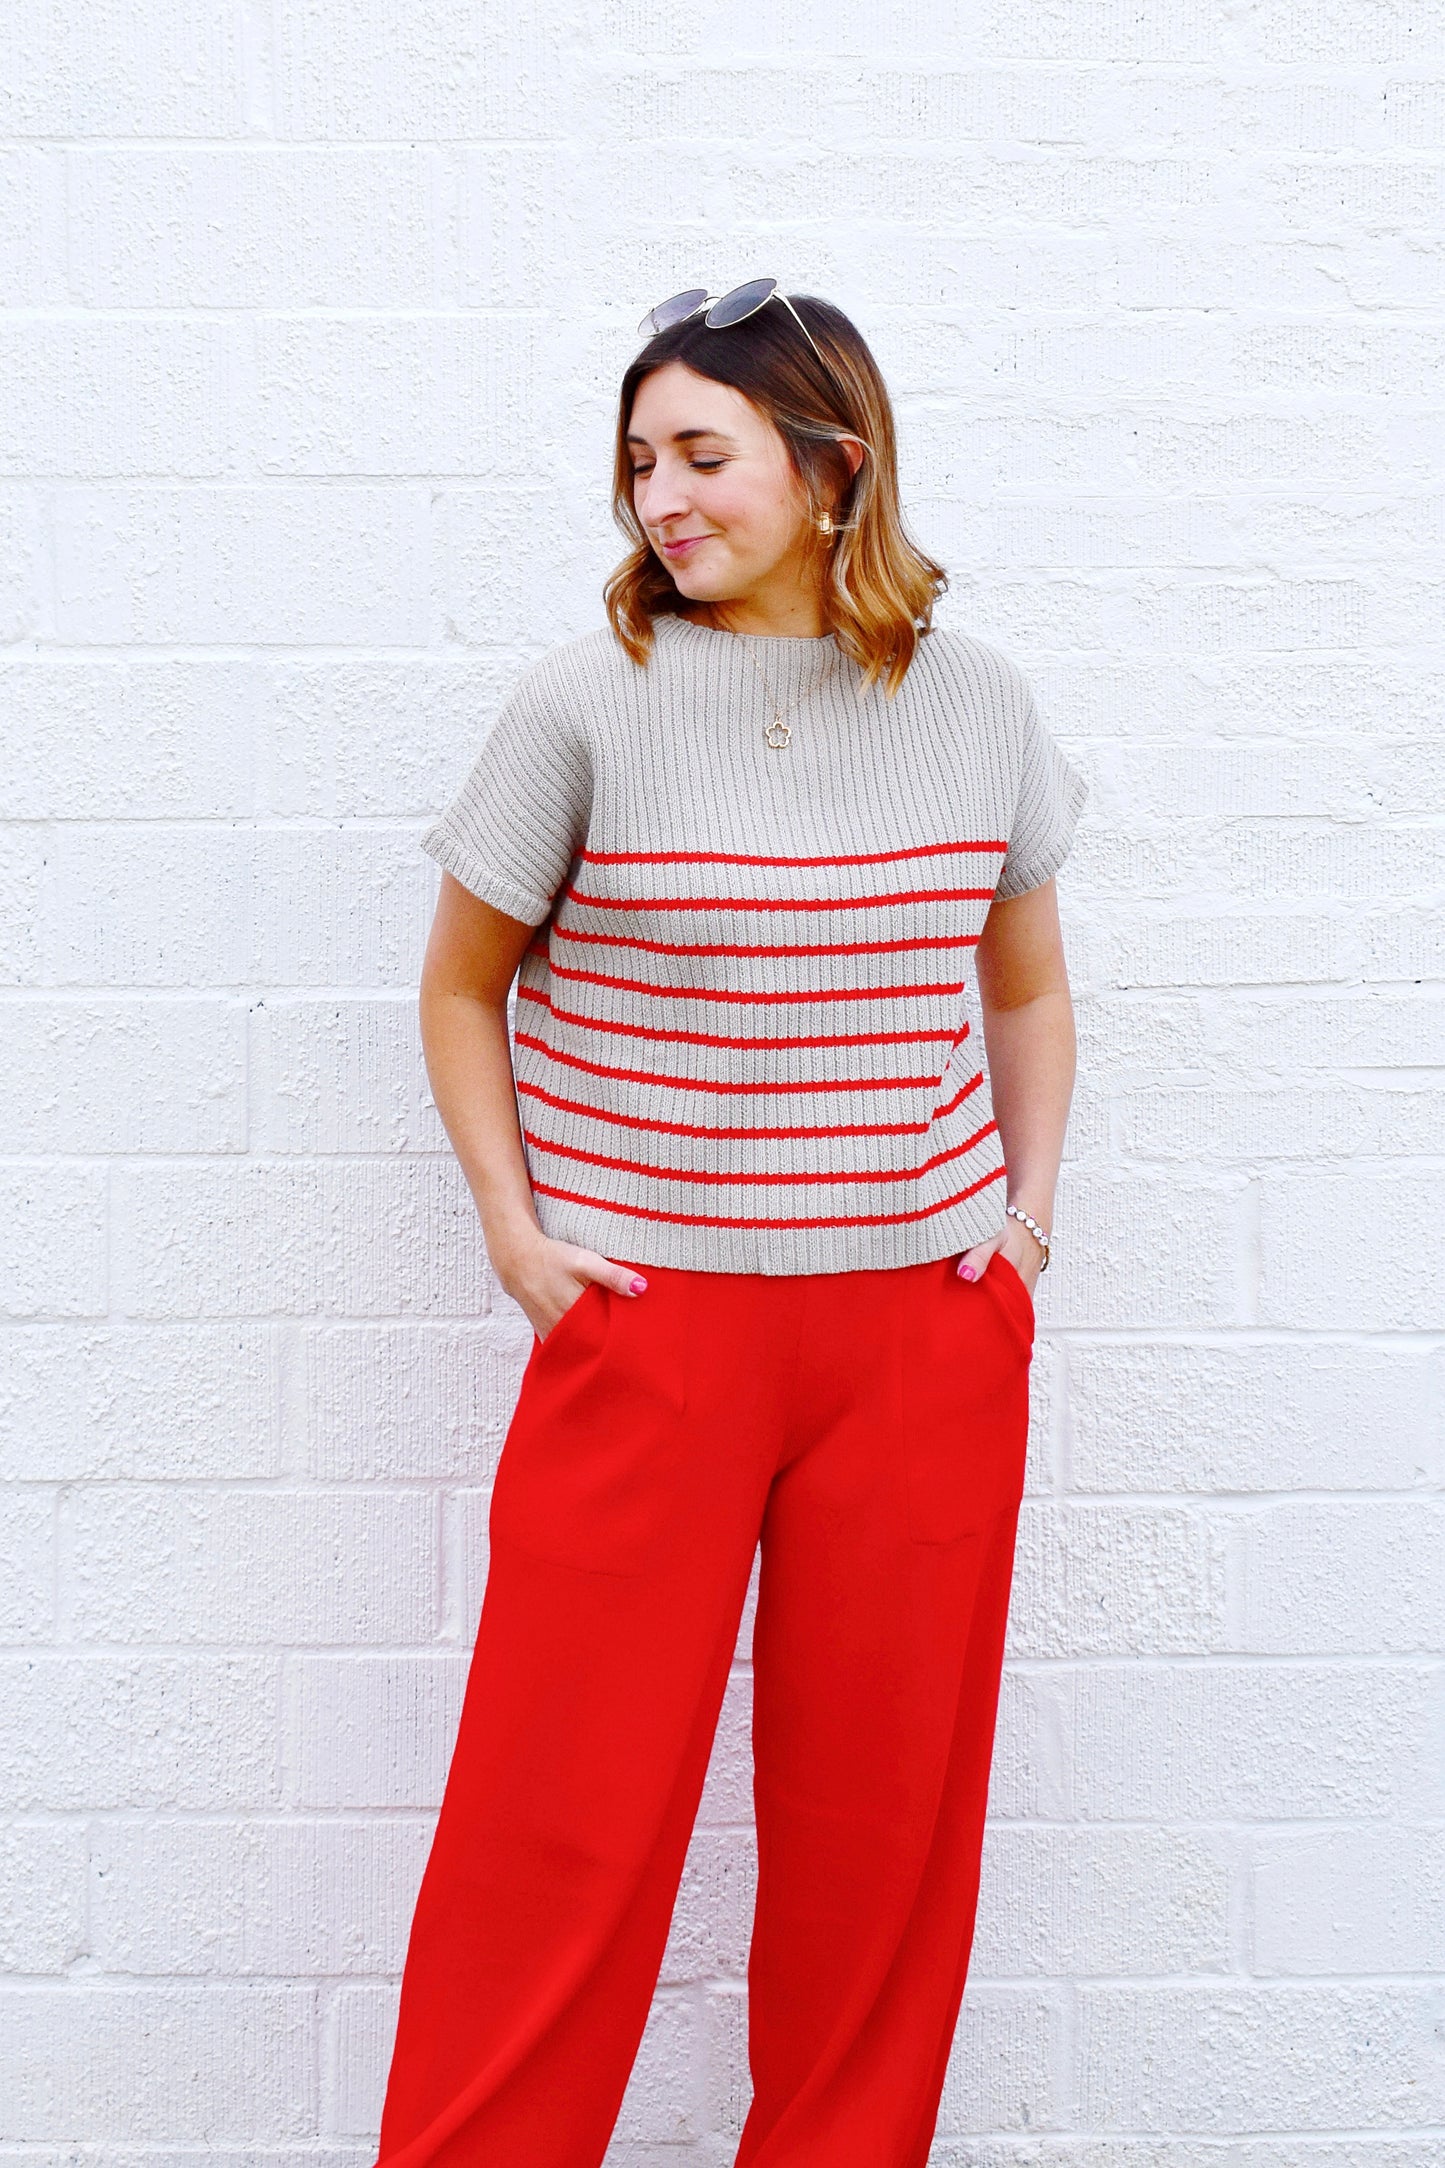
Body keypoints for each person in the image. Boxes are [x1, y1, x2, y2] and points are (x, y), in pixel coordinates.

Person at [371, 280, 1087, 2168]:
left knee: (881, 1854)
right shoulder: (583, 704)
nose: (658, 499)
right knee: (559, 1829)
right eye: (636, 463)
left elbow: (1020, 987)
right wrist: (524, 1246)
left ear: (832, 465)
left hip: (919, 1336)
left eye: (701, 454)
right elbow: (461, 988)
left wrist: (1019, 1226)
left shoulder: (977, 702)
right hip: (652, 1327)